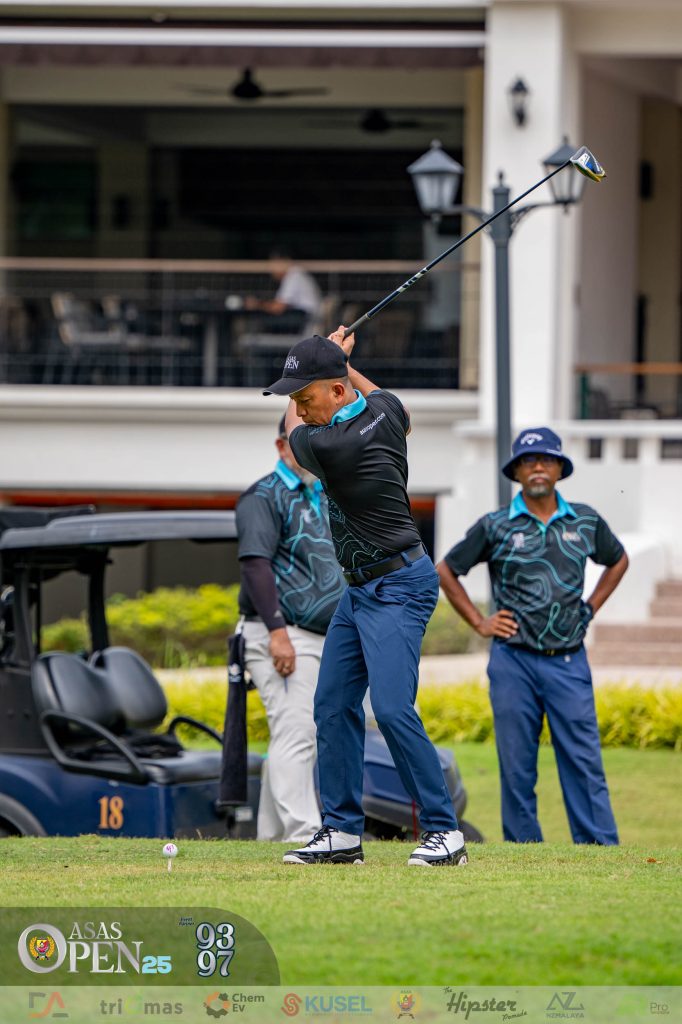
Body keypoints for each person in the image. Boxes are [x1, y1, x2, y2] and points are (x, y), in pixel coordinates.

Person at [263, 328, 468, 867]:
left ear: (335, 392)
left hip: (398, 586)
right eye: (294, 399)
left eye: (303, 397)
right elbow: (387, 403)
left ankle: (445, 832)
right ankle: (341, 833)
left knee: (394, 709)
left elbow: (293, 436)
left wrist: (335, 361)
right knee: (332, 705)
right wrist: (341, 361)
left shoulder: (330, 444)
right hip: (360, 591)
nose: (299, 410)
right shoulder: (387, 411)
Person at [436, 427, 629, 845]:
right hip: (513, 660)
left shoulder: (585, 520)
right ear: (517, 471)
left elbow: (618, 560)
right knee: (517, 764)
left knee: (583, 761)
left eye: (546, 459)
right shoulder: (496, 525)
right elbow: (447, 570)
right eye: (528, 460)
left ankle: (598, 846)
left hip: (568, 660)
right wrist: (479, 622)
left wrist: (591, 607)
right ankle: (525, 847)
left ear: (559, 468)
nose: (537, 466)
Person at [236, 413, 346, 844]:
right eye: (300, 441)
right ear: (282, 446)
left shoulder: (324, 492)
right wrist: (278, 633)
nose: (309, 449)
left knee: (296, 733)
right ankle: (305, 833)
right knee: (297, 731)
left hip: (320, 635)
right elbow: (255, 565)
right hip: (281, 633)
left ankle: (272, 834)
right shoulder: (263, 495)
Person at [243, 251, 322, 336]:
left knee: (263, 321)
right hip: (304, 318)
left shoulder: (294, 275)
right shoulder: (295, 274)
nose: (271, 270)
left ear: (283, 262)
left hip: (307, 320)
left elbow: (278, 307)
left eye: (274, 265)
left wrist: (257, 304)